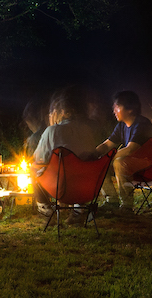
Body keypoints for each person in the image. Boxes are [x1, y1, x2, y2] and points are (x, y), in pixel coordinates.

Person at [32, 85, 99, 224]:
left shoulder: (52, 131)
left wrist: (52, 128)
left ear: (62, 112)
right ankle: (78, 210)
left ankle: (46, 210)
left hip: (61, 188)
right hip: (86, 187)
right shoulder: (88, 130)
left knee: (33, 168)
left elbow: (39, 159)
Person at [96, 90, 152, 212]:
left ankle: (126, 206)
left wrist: (107, 158)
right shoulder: (122, 126)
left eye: (117, 107)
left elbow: (130, 149)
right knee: (99, 164)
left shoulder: (142, 124)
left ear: (130, 109)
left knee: (119, 162)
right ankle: (111, 200)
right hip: (130, 164)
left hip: (149, 164)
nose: (114, 110)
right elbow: (107, 144)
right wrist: (93, 154)